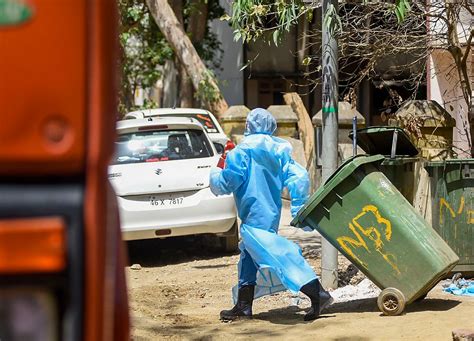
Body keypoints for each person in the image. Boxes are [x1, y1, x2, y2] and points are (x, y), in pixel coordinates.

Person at [210, 108, 332, 322]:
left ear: (248, 125)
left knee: (281, 256)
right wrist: (298, 206)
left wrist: (215, 174)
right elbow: (300, 177)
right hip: (271, 213)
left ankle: (318, 293)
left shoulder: (240, 152)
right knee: (248, 256)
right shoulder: (279, 151)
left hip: (252, 214)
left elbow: (228, 182)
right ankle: (243, 306)